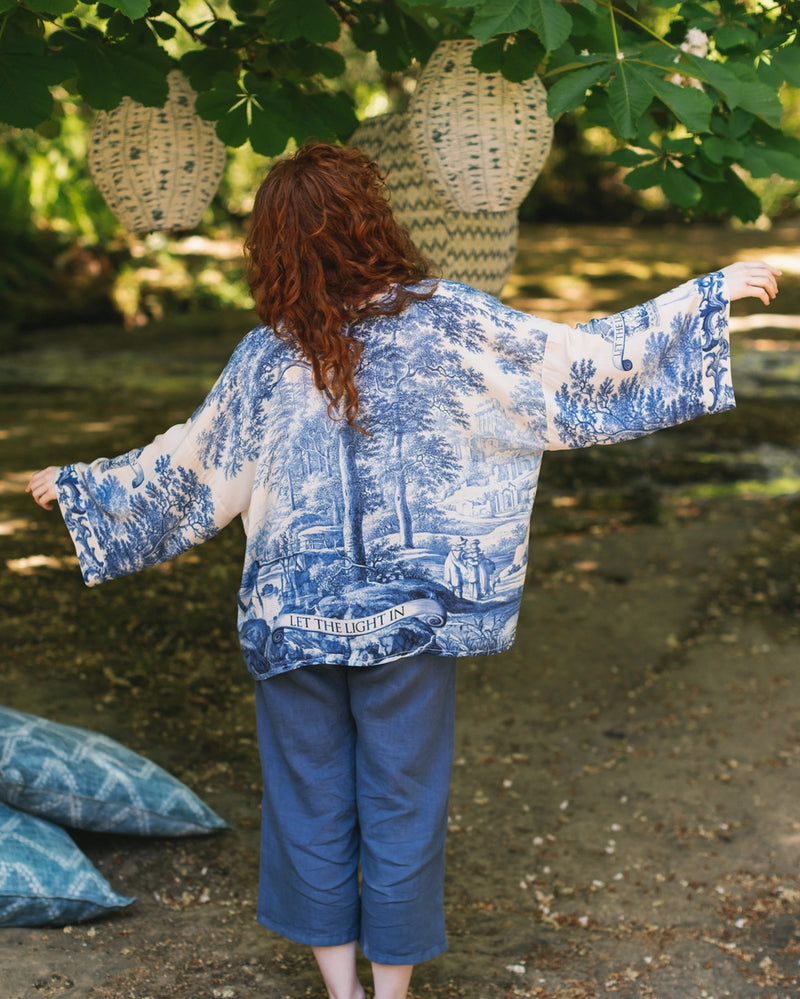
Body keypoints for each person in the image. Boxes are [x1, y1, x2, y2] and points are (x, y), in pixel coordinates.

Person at [26, 141, 781, 999]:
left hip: (291, 618)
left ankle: (341, 993)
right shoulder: (450, 321)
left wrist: (86, 489)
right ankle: (387, 998)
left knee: (308, 803)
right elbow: (575, 368)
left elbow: (191, 468)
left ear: (275, 245)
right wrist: (703, 299)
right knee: (402, 801)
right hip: (411, 619)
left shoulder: (269, 352)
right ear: (372, 220)